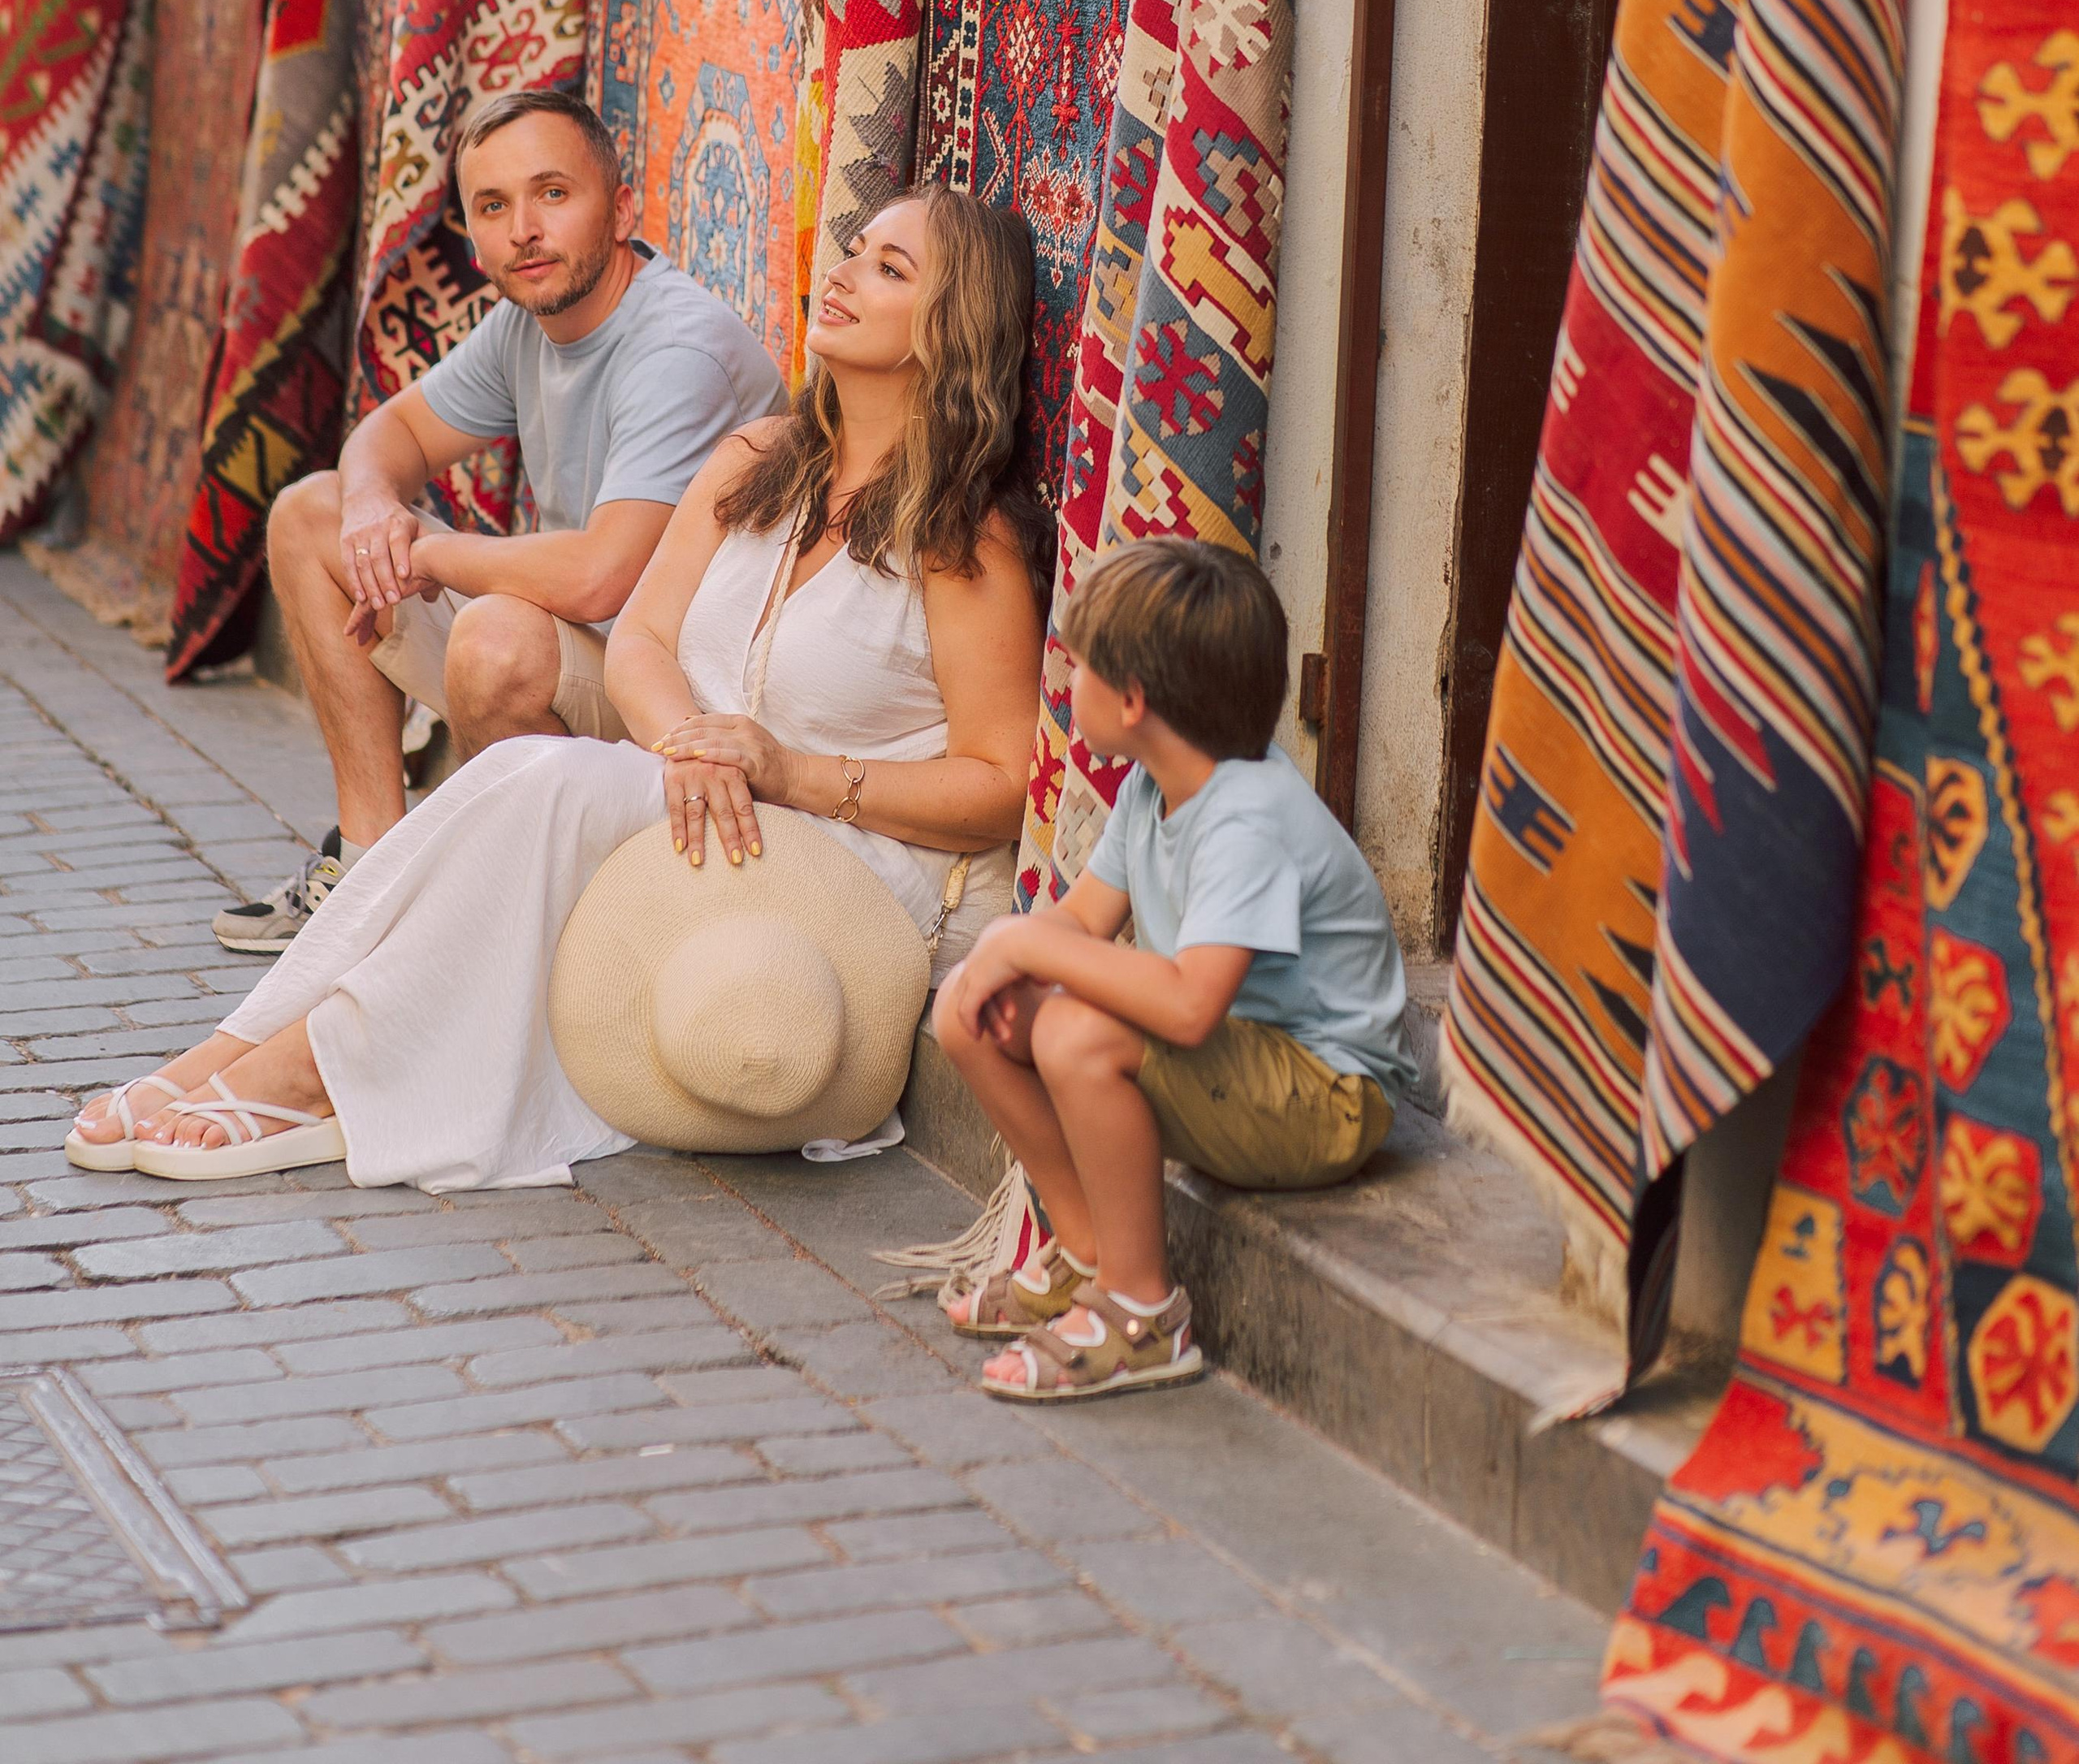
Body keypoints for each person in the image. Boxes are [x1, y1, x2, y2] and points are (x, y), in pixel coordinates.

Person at [66, 186, 1049, 1187]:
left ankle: (302, 1073)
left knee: (552, 781)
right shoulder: (761, 459)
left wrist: (786, 771)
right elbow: (642, 644)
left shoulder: (965, 536)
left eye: (891, 269)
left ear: (951, 325)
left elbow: (1002, 783)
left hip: (856, 869)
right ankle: (242, 1053)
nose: (840, 274)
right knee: (536, 785)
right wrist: (691, 743)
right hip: (711, 796)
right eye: (854, 248)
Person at [218, 86, 789, 955]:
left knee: (495, 639)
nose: (524, 228)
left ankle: (523, 925)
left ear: (622, 207)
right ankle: (373, 870)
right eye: (494, 205)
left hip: (681, 699)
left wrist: (432, 556)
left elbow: (605, 574)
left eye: (553, 194)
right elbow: (394, 431)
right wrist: (374, 508)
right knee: (312, 513)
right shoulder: (530, 321)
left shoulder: (676, 350)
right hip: (592, 647)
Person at [933, 537, 1418, 1402]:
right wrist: (1006, 965)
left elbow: (1192, 1008)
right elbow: (1079, 921)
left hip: (1326, 1098)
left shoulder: (1247, 818)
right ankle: (1084, 1253)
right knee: (971, 1011)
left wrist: (1026, 950)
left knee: (1078, 1033)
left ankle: (1140, 1315)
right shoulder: (1152, 788)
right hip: (1241, 1065)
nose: (1062, 678)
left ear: (1131, 699)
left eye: (1076, 665)